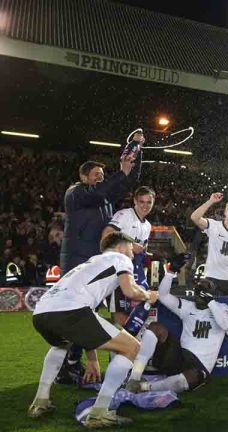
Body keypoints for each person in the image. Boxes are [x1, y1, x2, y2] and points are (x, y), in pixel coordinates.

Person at [28, 232, 158, 428]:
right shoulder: (120, 258)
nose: (132, 253)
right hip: (70, 312)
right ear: (121, 246)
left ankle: (40, 401)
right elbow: (130, 291)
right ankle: (99, 413)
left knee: (62, 345)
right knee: (131, 347)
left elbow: (88, 323)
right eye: (131, 248)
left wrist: (92, 359)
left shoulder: (90, 264)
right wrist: (148, 295)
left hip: (41, 313)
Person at [58, 135, 141, 385]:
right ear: (83, 177)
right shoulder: (75, 193)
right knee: (75, 313)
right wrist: (121, 171)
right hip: (77, 260)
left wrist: (136, 154)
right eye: (96, 174)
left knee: (87, 312)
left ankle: (71, 365)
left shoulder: (102, 199)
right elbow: (106, 188)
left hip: (92, 261)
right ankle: (67, 366)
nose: (100, 177)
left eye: (102, 174)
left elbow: (127, 183)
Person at [126, 256, 228, 394]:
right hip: (179, 356)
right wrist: (171, 272)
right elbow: (163, 295)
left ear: (212, 293)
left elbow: (226, 325)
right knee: (155, 327)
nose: (200, 293)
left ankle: (144, 388)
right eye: (199, 289)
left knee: (191, 378)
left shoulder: (221, 308)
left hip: (200, 365)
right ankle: (134, 378)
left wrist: (210, 302)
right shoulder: (188, 307)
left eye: (205, 289)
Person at [102, 186, 155, 325]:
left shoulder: (148, 225)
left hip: (134, 269)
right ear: (135, 201)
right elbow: (107, 233)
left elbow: (140, 249)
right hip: (117, 269)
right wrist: (131, 243)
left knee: (139, 308)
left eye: (149, 202)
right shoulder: (125, 214)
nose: (145, 205)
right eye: (142, 201)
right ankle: (125, 341)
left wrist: (147, 254)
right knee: (119, 313)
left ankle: (128, 340)